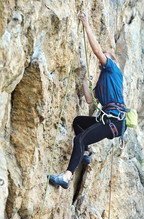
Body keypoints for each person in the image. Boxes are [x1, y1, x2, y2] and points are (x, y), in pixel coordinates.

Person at [48, 13, 127, 189]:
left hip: (114, 120)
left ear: (112, 61)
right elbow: (90, 100)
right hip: (108, 119)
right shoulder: (101, 82)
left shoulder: (114, 70)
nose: (102, 59)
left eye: (106, 57)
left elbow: (97, 51)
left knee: (79, 139)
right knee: (78, 122)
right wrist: (85, 82)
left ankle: (66, 178)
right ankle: (84, 152)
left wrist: (86, 25)